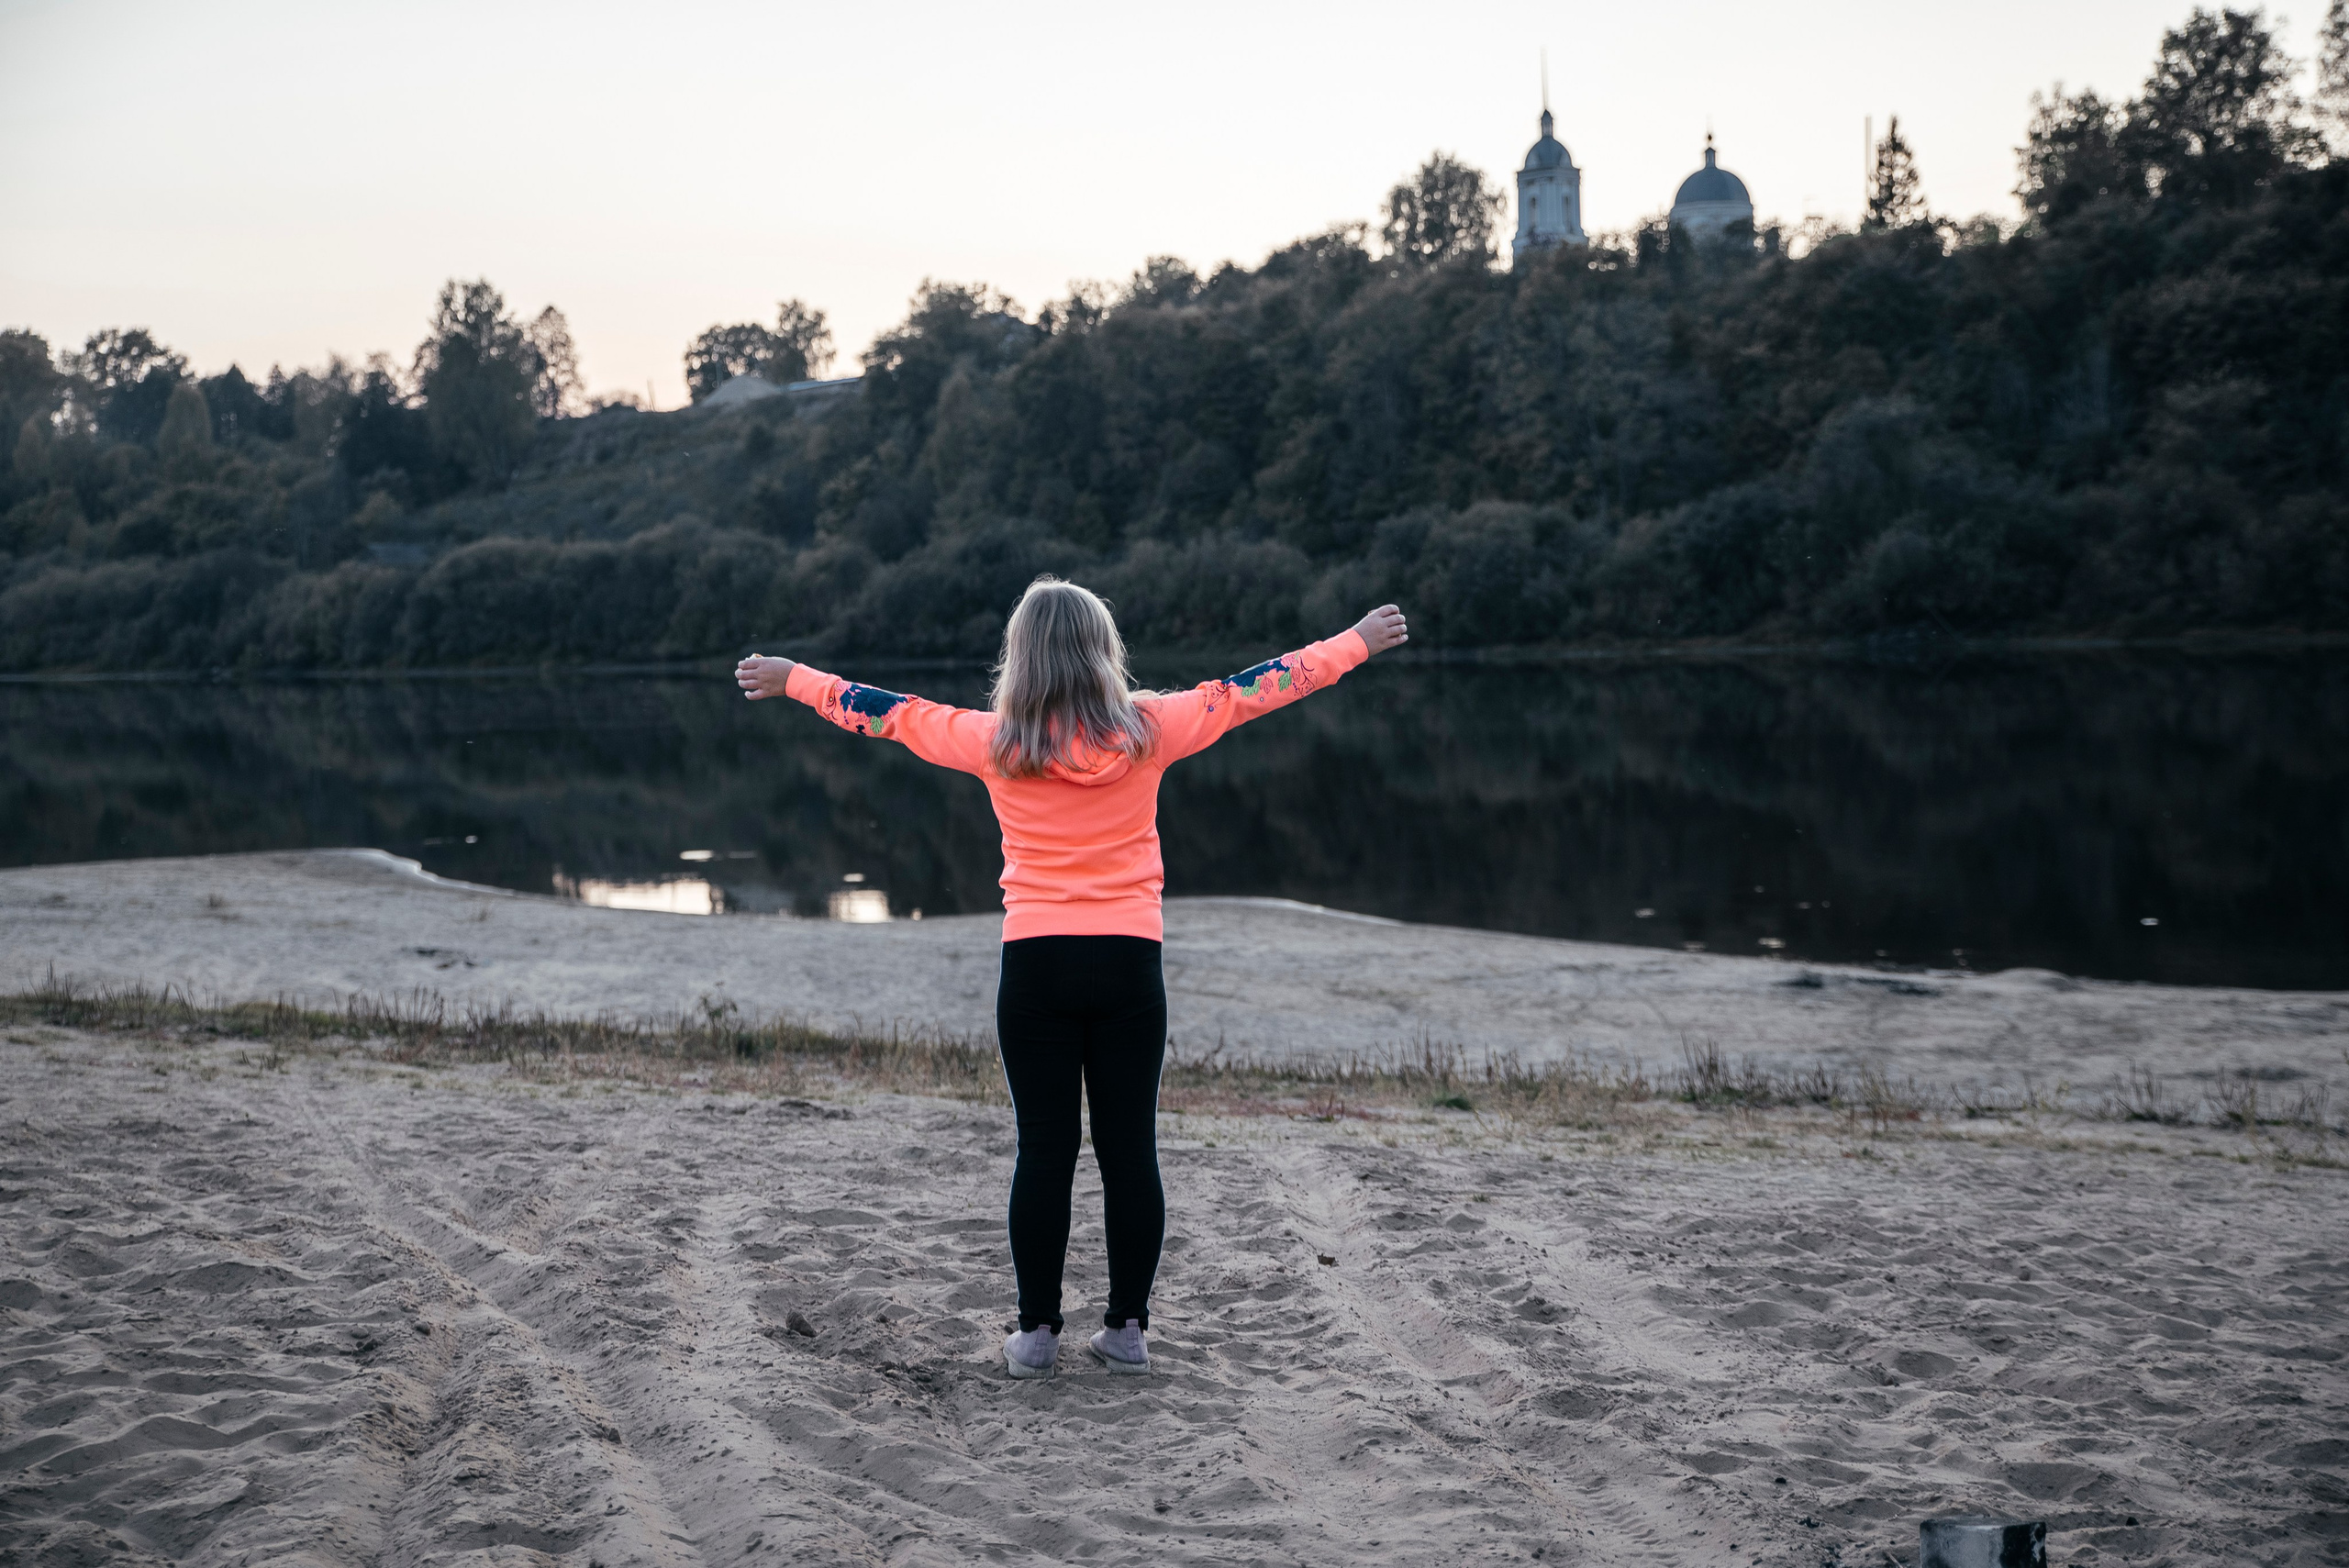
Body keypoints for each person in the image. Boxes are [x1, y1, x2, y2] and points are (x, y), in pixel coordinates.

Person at [735, 580, 1408, 1379]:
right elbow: (1261, 686)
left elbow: (887, 712)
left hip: (1037, 965)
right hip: (1129, 963)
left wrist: (794, 678)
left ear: (1020, 658)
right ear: (1103, 652)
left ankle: (1036, 1335)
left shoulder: (995, 741)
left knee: (1044, 1151)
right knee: (1130, 1151)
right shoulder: (1150, 728)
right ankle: (1127, 1331)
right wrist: (1355, 641)